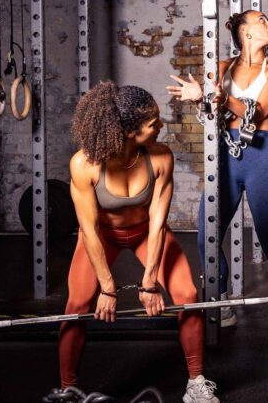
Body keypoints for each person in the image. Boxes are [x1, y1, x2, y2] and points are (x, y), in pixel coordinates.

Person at [62, 82, 218, 403]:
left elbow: (159, 223)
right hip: (101, 236)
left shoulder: (160, 158)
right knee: (77, 305)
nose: (161, 127)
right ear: (130, 131)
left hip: (147, 232)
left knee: (188, 295)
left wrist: (149, 281)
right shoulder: (84, 165)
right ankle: (68, 390)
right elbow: (89, 230)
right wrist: (107, 287)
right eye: (153, 124)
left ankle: (196, 382)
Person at [167, 10, 268, 350]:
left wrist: (218, 98)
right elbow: (210, 115)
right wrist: (201, 99)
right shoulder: (222, 67)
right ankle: (221, 300)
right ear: (245, 32)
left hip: (260, 156)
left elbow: (260, 111)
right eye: (262, 21)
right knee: (207, 233)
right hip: (225, 156)